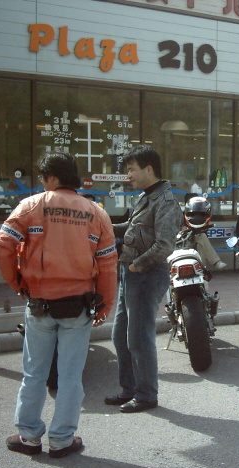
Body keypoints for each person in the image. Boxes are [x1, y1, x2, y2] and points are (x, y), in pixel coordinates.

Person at [0, 152, 117, 457]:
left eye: (42, 177)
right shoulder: (96, 213)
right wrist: (104, 305)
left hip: (39, 303)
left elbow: (2, 245)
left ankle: (28, 437)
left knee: (34, 374)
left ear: (51, 177)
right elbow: (108, 265)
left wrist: (18, 283)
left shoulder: (31, 205)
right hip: (79, 306)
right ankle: (62, 440)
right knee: (70, 376)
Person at [106, 145, 179, 413]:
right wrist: (104, 226)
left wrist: (137, 266)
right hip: (130, 273)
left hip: (146, 274)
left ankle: (146, 395)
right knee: (120, 335)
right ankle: (130, 389)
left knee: (138, 337)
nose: (128, 175)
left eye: (131, 169)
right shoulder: (146, 196)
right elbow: (132, 228)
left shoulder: (166, 201)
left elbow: (165, 245)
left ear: (149, 169)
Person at [183, 193, 226, 269]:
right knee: (202, 237)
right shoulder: (183, 215)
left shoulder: (202, 215)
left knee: (200, 245)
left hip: (196, 241)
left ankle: (201, 270)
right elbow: (180, 229)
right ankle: (215, 262)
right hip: (183, 242)